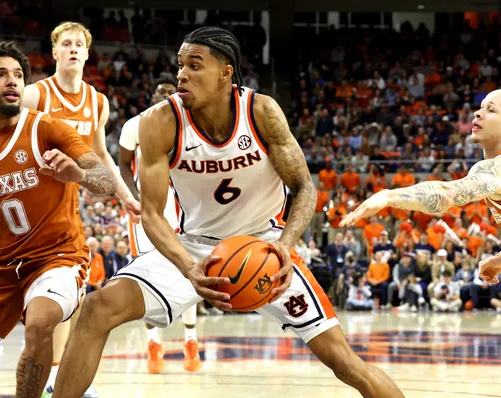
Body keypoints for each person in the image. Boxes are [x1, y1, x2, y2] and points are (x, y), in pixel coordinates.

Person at [53, 27, 403, 398]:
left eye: (194, 65)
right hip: (196, 248)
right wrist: (188, 266)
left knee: (344, 362)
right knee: (96, 308)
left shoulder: (262, 111)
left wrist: (285, 245)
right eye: (180, 65)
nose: (182, 74)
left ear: (226, 72)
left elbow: (304, 188)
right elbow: (153, 214)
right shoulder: (159, 121)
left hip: (266, 248)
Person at [342, 87, 501, 397]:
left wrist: (389, 196)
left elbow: (446, 196)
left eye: (490, 109)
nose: (477, 113)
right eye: (479, 107)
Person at [0, 41, 116, 398]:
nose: (13, 82)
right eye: (0, 74)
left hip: (59, 257)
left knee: (40, 324)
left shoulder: (46, 128)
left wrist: (79, 175)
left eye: (19, 75)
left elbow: (107, 181)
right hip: (3, 266)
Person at [21, 22, 140, 396]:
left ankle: (57, 374)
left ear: (87, 55)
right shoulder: (34, 95)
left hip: (67, 206)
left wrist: (127, 197)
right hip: (28, 206)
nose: (73, 49)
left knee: (72, 294)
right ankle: (46, 373)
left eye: (79, 45)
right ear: (54, 52)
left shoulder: (98, 102)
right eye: (66, 43)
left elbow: (101, 156)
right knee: (42, 303)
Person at [118, 77, 202, 374]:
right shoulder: (135, 125)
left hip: (182, 213)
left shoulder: (190, 126)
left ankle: (191, 339)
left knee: (185, 275)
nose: (166, 95)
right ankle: (154, 343)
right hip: (146, 212)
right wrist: (134, 197)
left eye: (171, 92)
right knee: (148, 276)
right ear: (152, 95)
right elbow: (122, 165)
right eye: (161, 92)